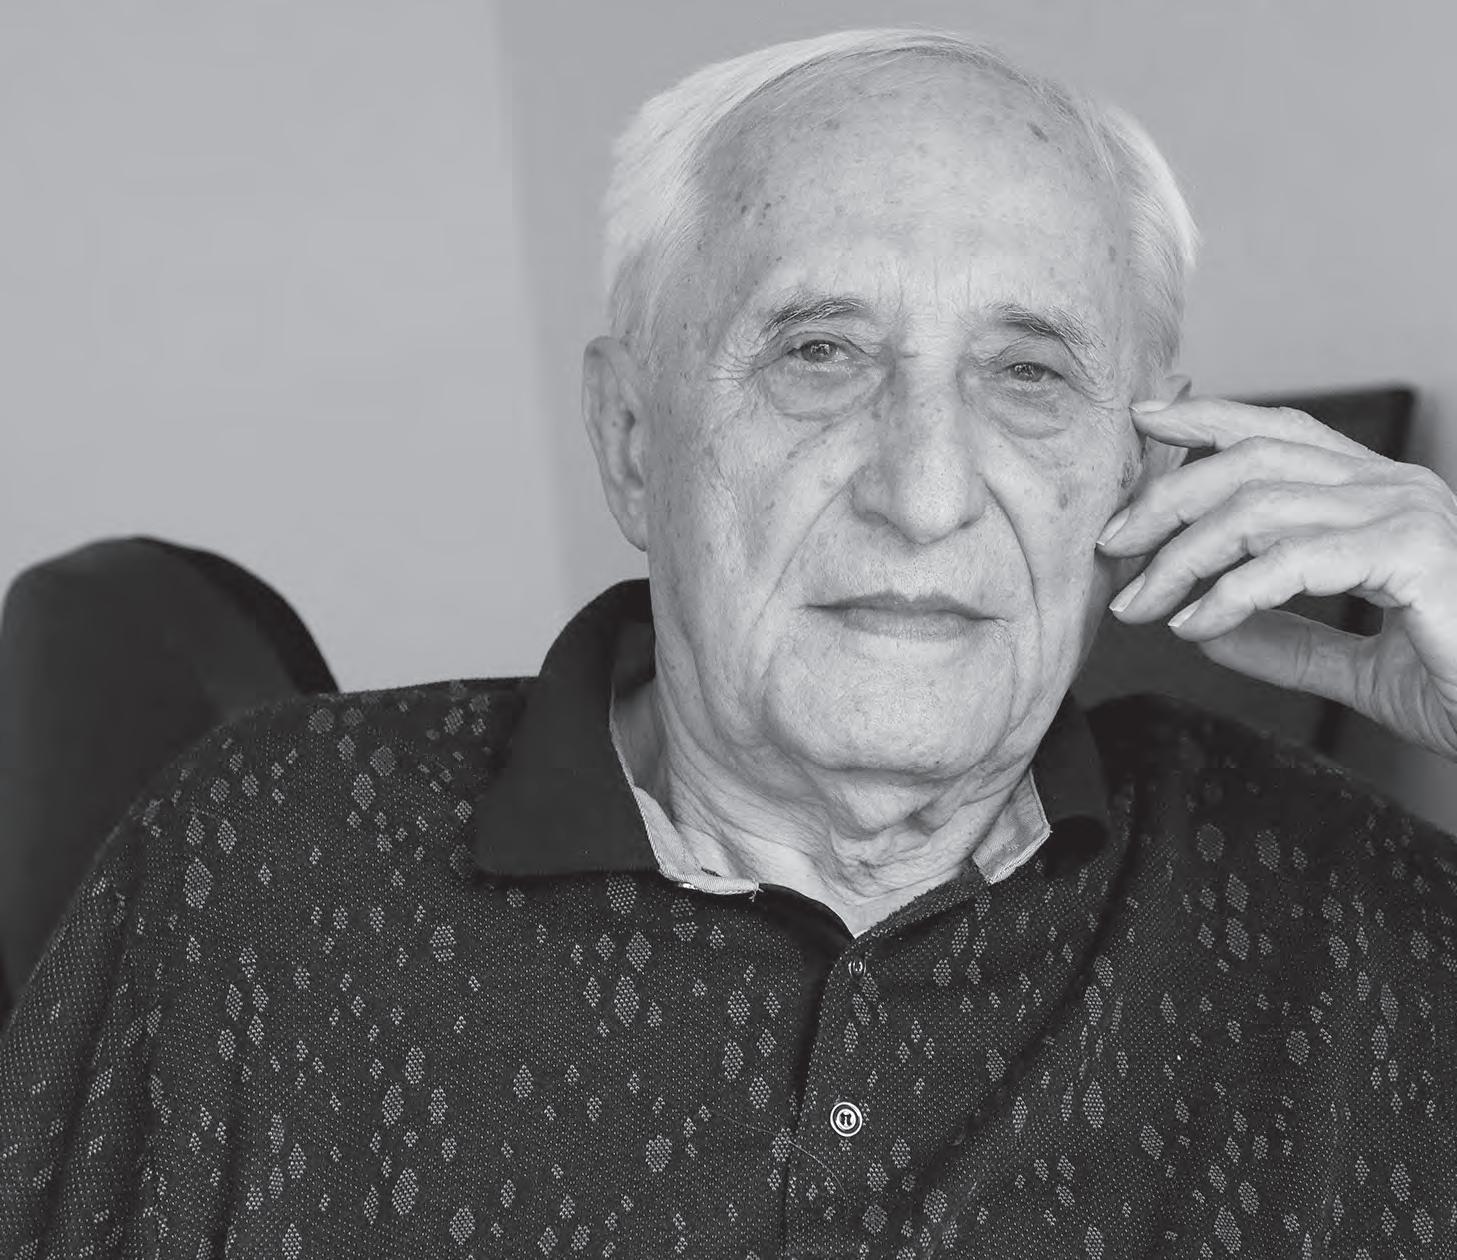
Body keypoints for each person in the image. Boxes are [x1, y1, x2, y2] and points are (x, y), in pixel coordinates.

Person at [3, 27, 1456, 1257]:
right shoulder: (264, 861)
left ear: (1142, 465)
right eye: (819, 354)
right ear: (633, 438)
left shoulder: (1341, 908)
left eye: (1029, 373)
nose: (925, 494)